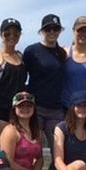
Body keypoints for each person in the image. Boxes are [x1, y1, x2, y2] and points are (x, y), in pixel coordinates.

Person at [0, 91, 57, 170]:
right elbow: (7, 161)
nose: (25, 109)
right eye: (21, 105)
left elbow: (40, 157)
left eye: (29, 106)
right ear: (14, 108)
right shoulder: (10, 131)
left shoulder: (36, 132)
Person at [22, 14, 68, 153]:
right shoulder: (31, 51)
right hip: (35, 107)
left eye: (56, 29)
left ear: (60, 31)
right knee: (32, 147)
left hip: (56, 109)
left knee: (58, 148)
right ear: (42, 31)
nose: (52, 32)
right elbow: (23, 76)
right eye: (48, 29)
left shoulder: (62, 53)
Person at [0, 18, 27, 122]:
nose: (11, 37)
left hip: (19, 109)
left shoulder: (22, 57)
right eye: (7, 34)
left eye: (16, 34)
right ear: (1, 35)